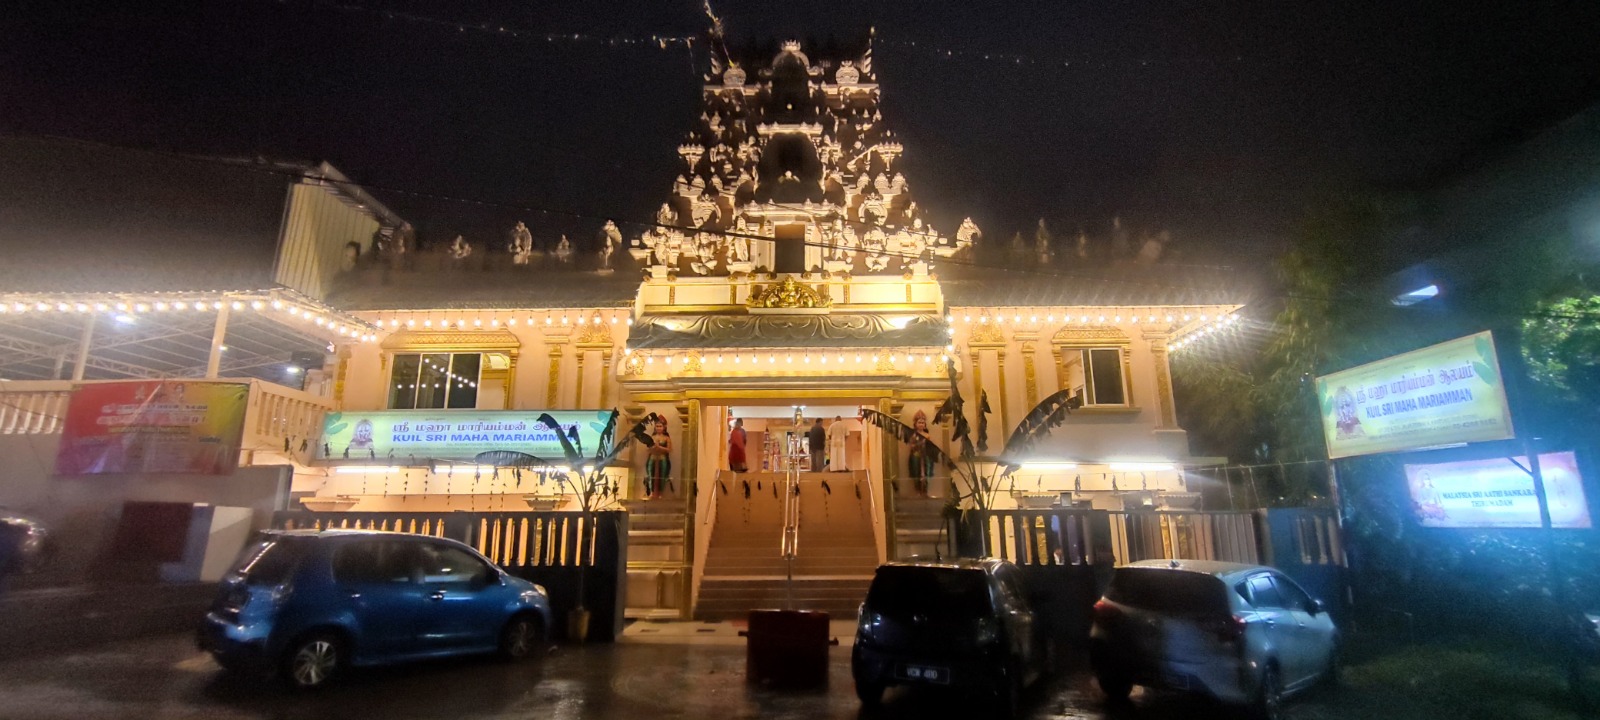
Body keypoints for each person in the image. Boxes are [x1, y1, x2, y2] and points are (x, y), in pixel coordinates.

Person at [907, 410, 937, 496]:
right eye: (919, 422)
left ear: (925, 425)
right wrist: (919, 444)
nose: (921, 424)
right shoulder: (913, 435)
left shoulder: (927, 435)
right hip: (916, 456)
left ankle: (925, 491)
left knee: (926, 473)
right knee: (916, 473)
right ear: (915, 424)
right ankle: (917, 491)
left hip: (926, 457)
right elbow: (912, 446)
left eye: (923, 423)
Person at [646, 418, 672, 500]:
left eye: (660, 426)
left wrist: (659, 447)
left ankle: (661, 493)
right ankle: (652, 492)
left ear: (664, 427)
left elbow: (669, 450)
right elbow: (648, 450)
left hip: (662, 458)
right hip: (653, 458)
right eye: (657, 426)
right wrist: (653, 447)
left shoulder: (666, 438)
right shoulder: (651, 437)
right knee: (651, 475)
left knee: (662, 475)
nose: (658, 428)